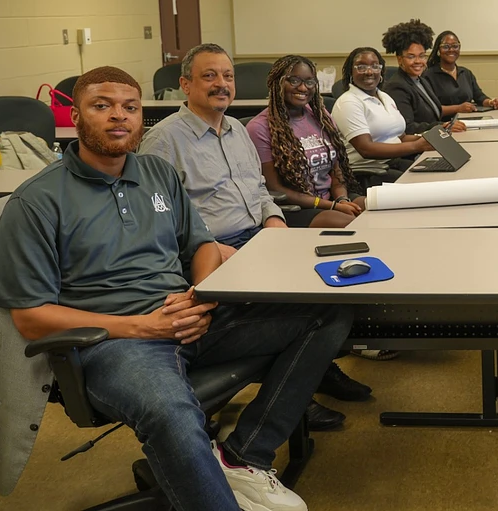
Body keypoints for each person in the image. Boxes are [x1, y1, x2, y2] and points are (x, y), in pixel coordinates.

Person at [0, 66, 352, 511]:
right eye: (101, 106)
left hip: (189, 316)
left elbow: (201, 244)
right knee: (172, 412)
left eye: (130, 107)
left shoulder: (157, 174)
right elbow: (30, 317)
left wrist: (199, 294)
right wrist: (143, 327)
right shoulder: (38, 201)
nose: (118, 116)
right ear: (76, 119)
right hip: (117, 341)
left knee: (328, 311)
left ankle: (242, 456)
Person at [138, 44, 363, 429]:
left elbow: (259, 190)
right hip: (214, 251)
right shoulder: (164, 142)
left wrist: (274, 221)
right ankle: (295, 397)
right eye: (209, 76)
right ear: (185, 84)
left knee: (340, 277)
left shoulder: (236, 129)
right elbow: (160, 221)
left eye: (227, 76)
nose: (221, 84)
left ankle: (313, 370)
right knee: (305, 307)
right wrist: (211, 248)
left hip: (258, 234)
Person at [246, 55, 365, 228]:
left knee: (376, 210)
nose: (303, 87)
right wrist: (332, 206)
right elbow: (275, 188)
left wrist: (342, 199)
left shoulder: (320, 116)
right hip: (296, 208)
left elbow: (336, 169)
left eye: (310, 82)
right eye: (294, 80)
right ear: (277, 82)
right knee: (355, 225)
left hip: (331, 200)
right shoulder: (259, 128)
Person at [333, 46, 435, 184]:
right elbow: (366, 149)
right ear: (351, 72)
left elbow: (400, 137)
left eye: (375, 66)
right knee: (428, 184)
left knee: (439, 173)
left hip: (395, 161)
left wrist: (429, 138)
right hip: (368, 172)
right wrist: (417, 146)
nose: (369, 72)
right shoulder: (348, 102)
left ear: (381, 71)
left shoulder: (385, 97)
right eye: (361, 67)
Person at [380, 19, 467, 135]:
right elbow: (408, 127)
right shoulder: (397, 86)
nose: (418, 61)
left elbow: (435, 111)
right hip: (418, 147)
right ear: (400, 59)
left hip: (436, 139)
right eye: (411, 57)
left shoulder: (421, 81)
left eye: (422, 56)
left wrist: (448, 124)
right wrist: (442, 126)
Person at [423, 30, 498, 117]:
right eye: (446, 46)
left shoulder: (466, 73)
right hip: (445, 125)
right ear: (438, 50)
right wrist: (458, 108)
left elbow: (479, 97)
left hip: (470, 122)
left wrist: (491, 102)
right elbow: (429, 109)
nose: (451, 50)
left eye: (455, 46)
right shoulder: (429, 76)